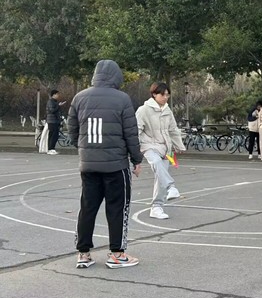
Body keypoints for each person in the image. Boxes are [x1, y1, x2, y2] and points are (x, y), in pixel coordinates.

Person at [68, 60, 143, 269]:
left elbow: (72, 130)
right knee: (117, 208)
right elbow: (130, 133)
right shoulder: (122, 99)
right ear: (116, 77)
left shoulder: (79, 97)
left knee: (87, 207)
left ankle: (83, 253)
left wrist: (85, 149)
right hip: (115, 165)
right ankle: (117, 253)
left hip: (88, 164)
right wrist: (136, 159)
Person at [136, 82, 186, 220]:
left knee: (160, 176)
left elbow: (173, 130)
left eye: (167, 95)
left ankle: (157, 207)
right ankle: (171, 187)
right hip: (148, 146)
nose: (165, 97)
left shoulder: (167, 111)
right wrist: (134, 149)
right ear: (154, 94)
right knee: (156, 163)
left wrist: (179, 145)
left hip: (166, 148)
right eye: (162, 94)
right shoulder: (143, 110)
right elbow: (136, 130)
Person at [46, 89, 66, 155]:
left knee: (55, 135)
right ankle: (50, 149)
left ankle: (52, 148)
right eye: (57, 94)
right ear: (53, 95)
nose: (58, 95)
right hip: (52, 121)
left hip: (55, 120)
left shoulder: (54, 102)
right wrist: (58, 106)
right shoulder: (50, 102)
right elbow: (52, 110)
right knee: (53, 135)